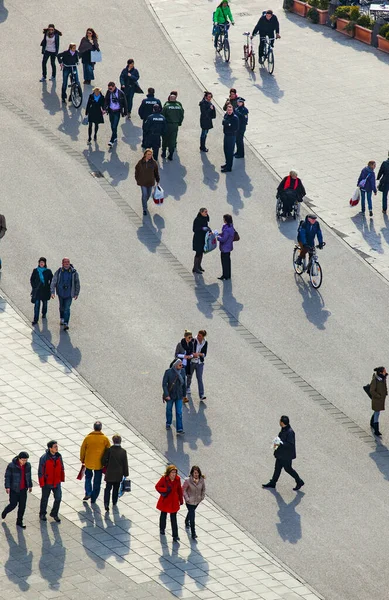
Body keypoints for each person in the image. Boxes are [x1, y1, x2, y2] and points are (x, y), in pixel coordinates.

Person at [262, 416, 304, 491]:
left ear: (282, 422)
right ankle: (273, 482)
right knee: (277, 468)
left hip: (286, 456)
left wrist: (281, 443)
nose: (279, 422)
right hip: (281, 454)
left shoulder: (290, 432)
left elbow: (290, 444)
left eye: (280, 421)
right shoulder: (284, 429)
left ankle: (299, 481)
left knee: (288, 469)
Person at [80, 421, 110, 503]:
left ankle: (88, 492)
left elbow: (83, 449)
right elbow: (109, 450)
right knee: (97, 481)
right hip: (100, 464)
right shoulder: (105, 439)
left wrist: (82, 459)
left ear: (94, 428)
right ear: (101, 428)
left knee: (88, 477)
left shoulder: (88, 438)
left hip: (89, 462)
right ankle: (94, 497)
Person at [2, 452, 32, 529]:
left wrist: (30, 486)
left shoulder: (28, 466)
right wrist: (7, 486)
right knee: (13, 504)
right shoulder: (12, 466)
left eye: (26, 460)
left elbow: (29, 476)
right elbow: (7, 477)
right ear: (19, 459)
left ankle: (19, 521)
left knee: (22, 506)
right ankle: (5, 512)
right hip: (14, 489)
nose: (24, 462)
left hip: (23, 490)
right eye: (23, 460)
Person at [50, 257, 80, 330]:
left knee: (67, 308)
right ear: (62, 263)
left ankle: (66, 323)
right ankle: (62, 318)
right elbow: (54, 281)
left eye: (68, 262)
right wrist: (52, 292)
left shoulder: (74, 272)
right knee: (61, 307)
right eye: (65, 262)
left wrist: (76, 293)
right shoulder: (59, 271)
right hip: (61, 293)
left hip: (69, 294)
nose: (67, 263)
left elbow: (77, 283)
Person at [155, 465, 183, 541]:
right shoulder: (164, 478)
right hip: (166, 500)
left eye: (175, 472)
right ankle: (162, 529)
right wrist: (166, 489)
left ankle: (175, 535)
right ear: (169, 473)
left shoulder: (178, 479)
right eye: (172, 472)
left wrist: (181, 500)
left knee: (174, 519)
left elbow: (179, 490)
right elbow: (157, 486)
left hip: (174, 501)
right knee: (163, 515)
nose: (174, 474)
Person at [38, 440, 65, 522]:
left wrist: (61, 477)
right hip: (47, 482)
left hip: (56, 482)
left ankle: (54, 513)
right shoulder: (44, 458)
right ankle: (42, 513)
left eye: (57, 446)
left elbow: (62, 467)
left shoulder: (59, 456)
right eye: (55, 447)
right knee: (45, 499)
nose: (57, 448)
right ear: (50, 448)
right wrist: (42, 483)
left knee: (58, 498)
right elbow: (40, 471)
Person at [102, 434, 129, 511]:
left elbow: (103, 461)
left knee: (107, 489)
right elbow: (125, 464)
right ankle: (114, 502)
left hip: (109, 474)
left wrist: (106, 465)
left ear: (113, 441)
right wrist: (126, 474)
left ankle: (106, 503)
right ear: (120, 441)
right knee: (116, 489)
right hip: (118, 474)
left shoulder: (109, 450)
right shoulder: (123, 452)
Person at [162, 359, 187, 434]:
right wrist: (166, 395)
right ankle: (168, 423)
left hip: (179, 395)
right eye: (180, 365)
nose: (181, 366)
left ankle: (179, 428)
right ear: (175, 365)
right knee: (169, 410)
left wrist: (184, 395)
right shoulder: (168, 372)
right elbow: (164, 384)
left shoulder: (182, 371)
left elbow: (184, 384)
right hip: (170, 395)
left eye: (182, 365)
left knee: (179, 412)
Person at [135, 148, 160, 215]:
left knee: (148, 195)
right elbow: (136, 170)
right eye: (148, 154)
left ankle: (144, 202)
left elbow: (156, 172)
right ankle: (144, 209)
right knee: (144, 194)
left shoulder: (154, 163)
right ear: (145, 154)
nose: (150, 156)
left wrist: (157, 180)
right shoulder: (140, 162)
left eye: (151, 154)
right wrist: (137, 178)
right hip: (143, 182)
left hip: (150, 182)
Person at [182, 466, 206, 539]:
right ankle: (193, 533)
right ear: (192, 473)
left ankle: (186, 520)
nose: (196, 474)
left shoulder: (201, 480)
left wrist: (202, 497)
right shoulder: (188, 481)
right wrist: (187, 498)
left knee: (191, 512)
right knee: (192, 516)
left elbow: (203, 489)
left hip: (197, 501)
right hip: (189, 502)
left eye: (197, 473)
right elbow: (183, 490)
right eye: (195, 473)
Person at [103, 81, 128, 147]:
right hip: (111, 110)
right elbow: (106, 100)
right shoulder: (108, 92)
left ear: (114, 87)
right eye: (109, 88)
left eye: (111, 88)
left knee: (115, 125)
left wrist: (125, 112)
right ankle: (115, 136)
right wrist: (104, 109)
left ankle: (111, 140)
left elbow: (125, 103)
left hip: (117, 111)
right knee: (112, 125)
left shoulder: (120, 93)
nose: (110, 90)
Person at [30, 257, 53, 325]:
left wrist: (49, 287)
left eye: (43, 262)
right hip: (37, 291)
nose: (41, 263)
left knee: (45, 304)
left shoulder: (48, 271)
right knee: (37, 305)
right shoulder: (35, 270)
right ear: (39, 263)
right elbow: (32, 279)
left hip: (45, 291)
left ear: (45, 263)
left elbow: (52, 280)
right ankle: (35, 319)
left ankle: (44, 313)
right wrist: (34, 287)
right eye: (40, 262)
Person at [162, 92, 184, 161]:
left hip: (167, 125)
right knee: (173, 139)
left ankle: (164, 152)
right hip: (175, 125)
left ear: (170, 98)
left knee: (165, 138)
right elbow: (181, 116)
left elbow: (163, 116)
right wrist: (179, 123)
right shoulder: (179, 106)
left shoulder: (166, 106)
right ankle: (171, 154)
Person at [175, 330, 195, 399]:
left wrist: (191, 356)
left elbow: (192, 353)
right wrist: (184, 356)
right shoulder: (180, 344)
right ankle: (182, 394)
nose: (190, 339)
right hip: (181, 364)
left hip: (188, 363)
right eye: (189, 337)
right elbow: (176, 354)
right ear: (185, 337)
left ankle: (185, 390)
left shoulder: (191, 344)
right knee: (182, 378)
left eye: (191, 337)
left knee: (188, 376)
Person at [190, 331, 208, 401]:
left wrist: (199, 354)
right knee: (189, 376)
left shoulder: (205, 342)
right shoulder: (193, 340)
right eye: (198, 335)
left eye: (200, 336)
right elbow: (189, 350)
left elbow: (204, 354)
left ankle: (201, 395)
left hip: (200, 362)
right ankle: (187, 387)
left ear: (203, 337)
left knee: (199, 378)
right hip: (192, 362)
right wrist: (193, 354)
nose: (198, 336)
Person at [369, 367, 388, 436]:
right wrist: (378, 396)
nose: (385, 372)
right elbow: (372, 391)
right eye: (384, 371)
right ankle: (376, 430)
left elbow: (384, 386)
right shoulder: (375, 380)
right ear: (380, 372)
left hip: (381, 399)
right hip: (377, 399)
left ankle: (372, 422)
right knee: (377, 412)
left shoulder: (383, 378)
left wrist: (385, 392)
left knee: (377, 411)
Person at [222, 104, 239, 173]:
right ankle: (227, 164)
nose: (229, 111)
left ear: (232, 110)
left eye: (230, 110)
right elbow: (223, 122)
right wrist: (228, 124)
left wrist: (228, 124)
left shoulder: (235, 118)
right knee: (225, 150)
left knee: (230, 152)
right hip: (226, 135)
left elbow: (235, 128)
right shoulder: (226, 115)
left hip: (231, 136)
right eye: (228, 110)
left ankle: (229, 167)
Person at [192, 208, 210, 274]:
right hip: (198, 239)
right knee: (198, 253)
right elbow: (194, 229)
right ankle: (195, 268)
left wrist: (209, 230)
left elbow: (207, 225)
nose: (206, 213)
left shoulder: (205, 218)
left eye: (207, 212)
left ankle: (199, 266)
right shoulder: (197, 220)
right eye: (205, 212)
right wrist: (202, 228)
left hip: (203, 238)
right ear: (201, 212)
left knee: (201, 252)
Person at [217, 213, 235, 280]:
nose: (223, 220)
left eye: (224, 219)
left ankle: (225, 276)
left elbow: (223, 239)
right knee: (228, 262)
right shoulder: (230, 227)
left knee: (224, 263)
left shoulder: (227, 230)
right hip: (228, 248)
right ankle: (228, 275)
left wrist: (218, 237)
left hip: (225, 248)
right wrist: (220, 234)